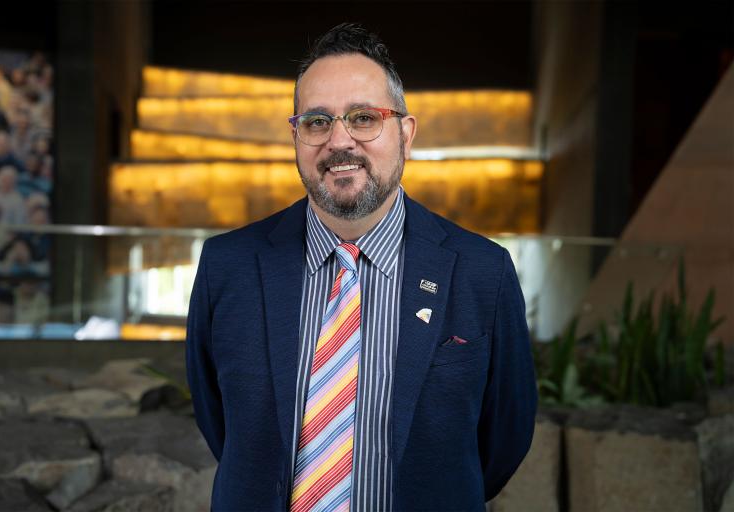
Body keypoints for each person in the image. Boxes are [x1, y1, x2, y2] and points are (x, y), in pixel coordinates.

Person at [186, 23, 537, 512]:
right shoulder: (228, 266)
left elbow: (504, 439)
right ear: (296, 136)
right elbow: (219, 423)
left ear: (405, 134)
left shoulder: (484, 272)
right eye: (316, 121)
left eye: (364, 118)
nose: (339, 141)